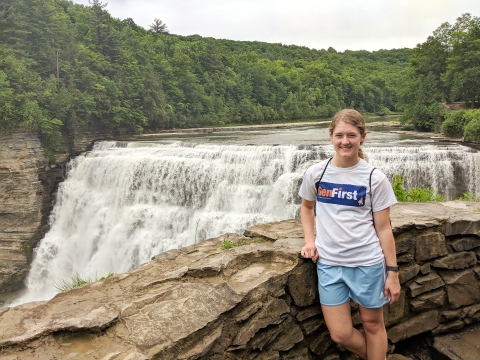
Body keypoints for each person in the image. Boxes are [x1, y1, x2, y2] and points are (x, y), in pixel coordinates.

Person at [298, 109, 400, 360]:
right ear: (331, 136)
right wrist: (310, 242)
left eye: (352, 135)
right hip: (329, 263)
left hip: (367, 262)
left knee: (372, 324)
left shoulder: (374, 178)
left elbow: (384, 228)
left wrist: (393, 273)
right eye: (340, 135)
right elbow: (306, 207)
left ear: (363, 137)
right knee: (341, 334)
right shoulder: (316, 173)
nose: (345, 141)